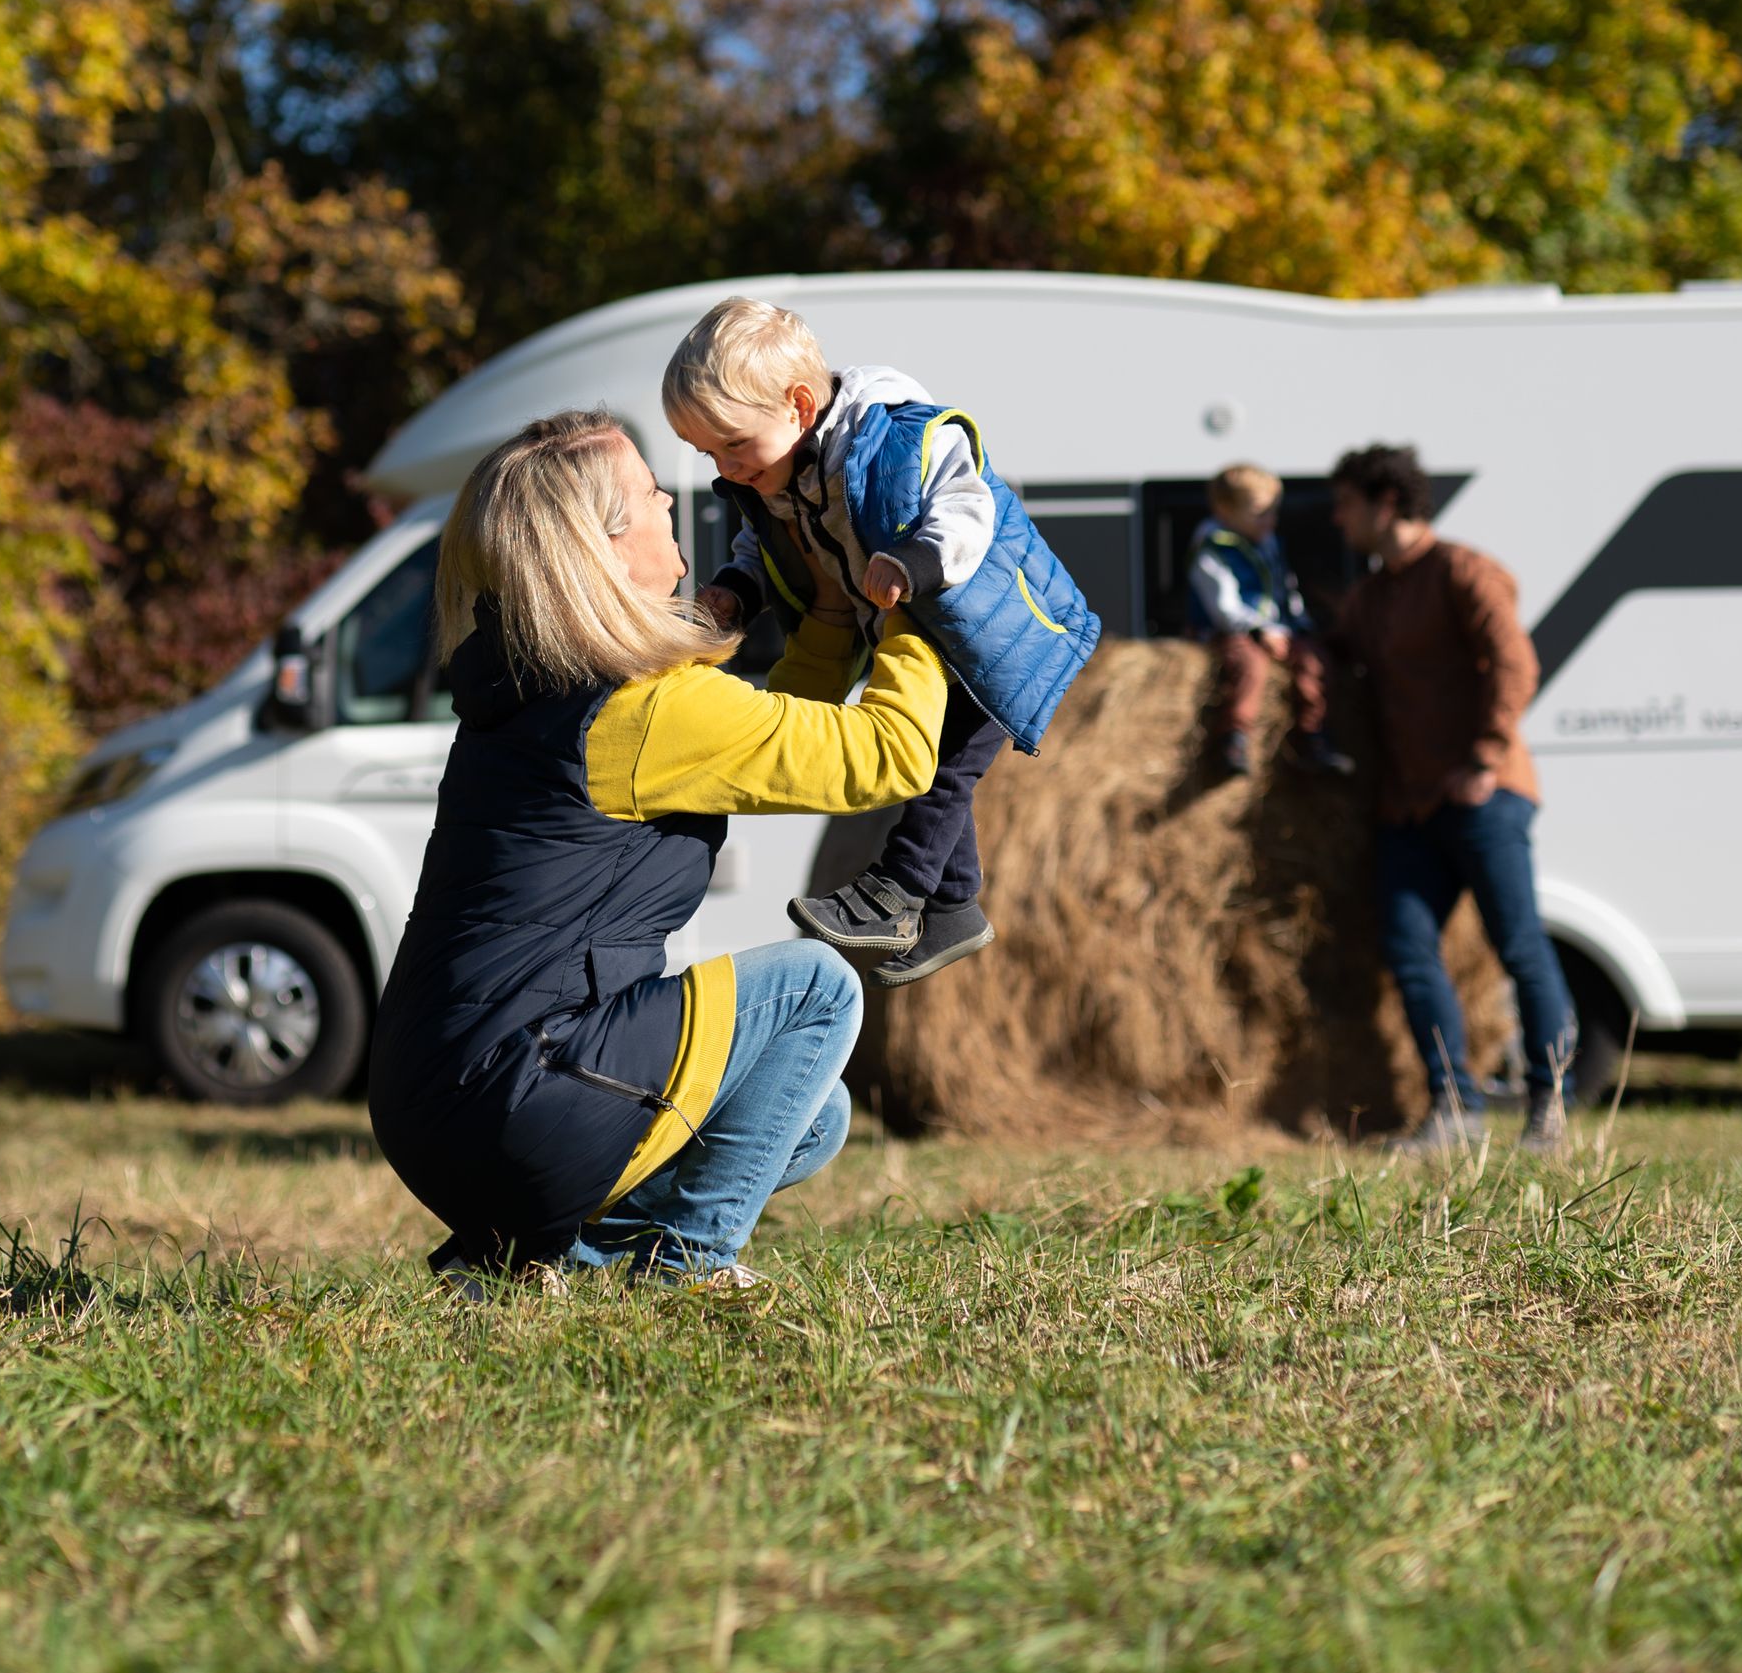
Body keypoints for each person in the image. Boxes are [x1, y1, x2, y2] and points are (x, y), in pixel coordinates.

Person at [367, 409, 947, 1289]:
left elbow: (768, 733)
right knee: (816, 990)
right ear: (601, 547)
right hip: (520, 1088)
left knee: (810, 1112)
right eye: (648, 495)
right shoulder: (643, 712)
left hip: (433, 1099)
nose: (672, 500)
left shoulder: (538, 692)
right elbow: (889, 754)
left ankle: (521, 1257)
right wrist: (915, 606)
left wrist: (828, 616)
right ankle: (689, 1265)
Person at [661, 297, 1100, 988]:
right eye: (709, 452)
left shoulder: (898, 437)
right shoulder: (782, 474)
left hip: (999, 632)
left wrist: (914, 562)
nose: (726, 466)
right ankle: (954, 907)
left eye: (733, 445)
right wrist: (735, 590)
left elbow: (969, 504)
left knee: (939, 770)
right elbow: (769, 545)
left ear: (800, 406)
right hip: (933, 642)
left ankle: (898, 892)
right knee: (931, 767)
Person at [1323, 442, 1579, 1153]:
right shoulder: (1372, 596)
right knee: (1409, 950)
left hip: (1483, 795)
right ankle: (1453, 1109)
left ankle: (1548, 1106)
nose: (1338, 521)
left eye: (1345, 504)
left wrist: (1485, 756)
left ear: (1385, 503)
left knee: (1519, 948)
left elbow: (1514, 663)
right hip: (1408, 808)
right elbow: (1338, 654)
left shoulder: (1464, 571)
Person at [1187, 463, 1354, 779]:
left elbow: (1283, 586)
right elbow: (1222, 603)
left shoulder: (1268, 541)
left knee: (1313, 660)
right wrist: (1258, 630)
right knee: (1251, 667)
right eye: (1259, 513)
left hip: (1274, 628)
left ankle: (1313, 734)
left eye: (1273, 511)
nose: (1270, 520)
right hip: (1226, 629)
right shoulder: (1212, 547)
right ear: (1225, 510)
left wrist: (1297, 622)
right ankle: (1234, 738)